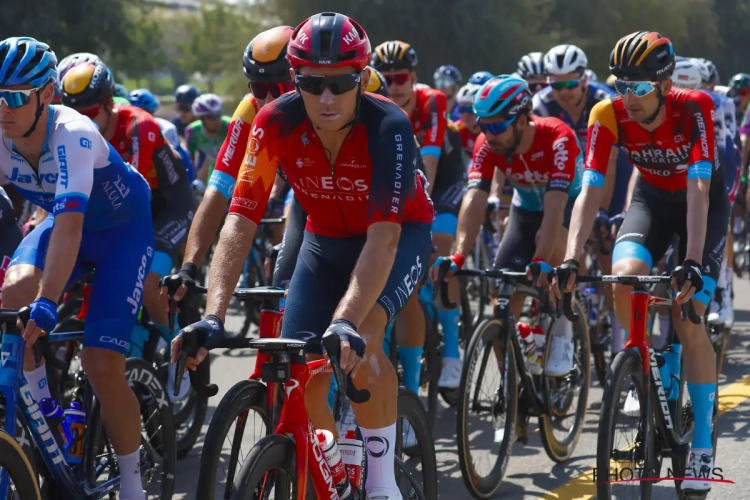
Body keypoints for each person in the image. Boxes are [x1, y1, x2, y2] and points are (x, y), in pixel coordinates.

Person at [171, 13, 433, 500]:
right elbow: (240, 219)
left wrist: (347, 319)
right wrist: (213, 315)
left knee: (363, 338)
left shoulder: (389, 126)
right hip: (323, 238)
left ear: (362, 79)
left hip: (397, 236)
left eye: (340, 83)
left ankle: (381, 483)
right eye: (313, 83)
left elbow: (384, 240)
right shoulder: (273, 121)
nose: (326, 98)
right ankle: (334, 474)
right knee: (301, 368)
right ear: (295, 79)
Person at [553, 31, 728, 494]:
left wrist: (692, 260)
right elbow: (590, 189)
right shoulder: (606, 113)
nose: (627, 97)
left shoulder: (694, 108)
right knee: (624, 278)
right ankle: (643, 368)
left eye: (639, 87)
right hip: (651, 201)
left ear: (665, 85)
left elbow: (699, 189)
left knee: (687, 316)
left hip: (701, 206)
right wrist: (571, 255)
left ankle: (703, 439)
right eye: (620, 85)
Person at [0, 37, 155, 500]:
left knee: (100, 365)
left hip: (119, 234)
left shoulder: (73, 132)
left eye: (14, 97)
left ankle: (133, 486)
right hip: (66, 226)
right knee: (12, 297)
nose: (3, 108)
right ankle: (48, 413)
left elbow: (69, 229)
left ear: (46, 95)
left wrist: (49, 301)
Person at [431, 74, 582, 378]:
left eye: (497, 127)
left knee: (550, 251)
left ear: (523, 121)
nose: (489, 135)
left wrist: (540, 259)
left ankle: (563, 329)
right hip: (524, 211)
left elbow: (555, 209)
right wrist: (458, 255)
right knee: (502, 302)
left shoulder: (558, 137)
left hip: (565, 208)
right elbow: (473, 201)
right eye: (484, 126)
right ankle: (514, 384)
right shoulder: (487, 145)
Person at [59, 59, 194, 369]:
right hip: (118, 211)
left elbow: (134, 193)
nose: (83, 123)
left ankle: (182, 351)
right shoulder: (68, 132)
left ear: (109, 104)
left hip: (166, 207)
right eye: (75, 115)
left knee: (146, 283)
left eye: (90, 114)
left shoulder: (138, 125)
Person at [162, 26, 297, 308]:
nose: (268, 101)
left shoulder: (326, 107)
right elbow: (218, 190)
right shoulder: (250, 111)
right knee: (282, 297)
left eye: (279, 88)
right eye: (259, 88)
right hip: (305, 201)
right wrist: (190, 267)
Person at [371, 40, 467, 390]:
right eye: (387, 79)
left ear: (413, 78)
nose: (394, 86)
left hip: (441, 181)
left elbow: (429, 164)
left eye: (400, 78)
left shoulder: (432, 101)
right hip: (402, 187)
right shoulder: (375, 102)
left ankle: (453, 350)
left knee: (440, 247)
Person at [535, 43, 634, 352]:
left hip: (608, 172)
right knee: (564, 240)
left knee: (607, 245)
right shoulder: (541, 105)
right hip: (568, 175)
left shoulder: (604, 101)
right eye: (556, 85)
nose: (563, 92)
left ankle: (617, 334)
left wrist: (600, 214)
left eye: (570, 84)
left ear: (584, 79)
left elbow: (610, 162)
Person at [129, 88, 195, 181]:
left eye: (144, 113)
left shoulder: (167, 129)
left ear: (152, 112)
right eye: (133, 114)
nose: (139, 118)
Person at [185, 93, 230, 183]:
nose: (217, 119)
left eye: (218, 114)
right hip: (207, 159)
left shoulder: (229, 126)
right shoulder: (192, 132)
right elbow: (190, 162)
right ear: (201, 118)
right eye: (212, 116)